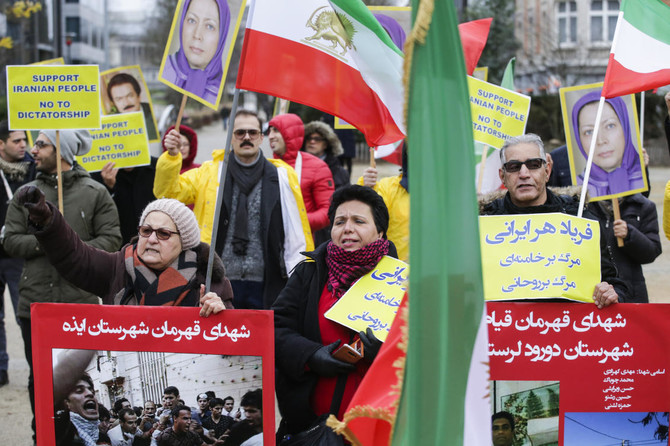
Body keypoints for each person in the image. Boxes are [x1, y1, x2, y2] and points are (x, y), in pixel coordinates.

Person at [3, 129, 122, 441]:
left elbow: (111, 240)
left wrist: (70, 249)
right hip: (36, 303)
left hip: (78, 302)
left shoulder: (95, 193)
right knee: (39, 378)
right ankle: (39, 433)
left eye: (41, 144)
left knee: (76, 377)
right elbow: (11, 241)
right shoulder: (27, 194)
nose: (34, 150)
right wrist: (53, 240)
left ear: (62, 150)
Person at [154, 109, 313, 309]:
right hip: (217, 280)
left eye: (252, 132)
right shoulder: (209, 172)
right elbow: (168, 194)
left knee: (262, 339)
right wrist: (171, 157)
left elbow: (297, 229)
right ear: (230, 136)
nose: (246, 137)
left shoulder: (282, 175)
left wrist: (301, 274)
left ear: (261, 137)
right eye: (240, 133)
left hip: (268, 281)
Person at [273, 185, 394, 439]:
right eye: (340, 222)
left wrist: (383, 354)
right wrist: (311, 355)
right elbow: (276, 328)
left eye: (359, 221)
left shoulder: (402, 283)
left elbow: (422, 352)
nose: (347, 228)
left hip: (376, 430)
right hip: (313, 430)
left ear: (380, 232)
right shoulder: (309, 273)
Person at [13, 191, 233, 312]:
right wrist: (47, 220)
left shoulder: (210, 279)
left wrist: (220, 314)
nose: (152, 239)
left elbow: (235, 341)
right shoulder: (117, 267)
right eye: (146, 230)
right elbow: (74, 255)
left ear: (184, 242)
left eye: (163, 234)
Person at [479, 133, 629, 307]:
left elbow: (615, 283)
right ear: (502, 175)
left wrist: (610, 292)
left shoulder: (579, 220)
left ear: (547, 170)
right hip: (506, 330)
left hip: (566, 329)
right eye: (514, 166)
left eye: (533, 165)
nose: (524, 174)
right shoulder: (483, 225)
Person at [0, 121, 35, 387]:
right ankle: (1, 369)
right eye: (16, 141)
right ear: (1, 144)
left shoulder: (33, 171)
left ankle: (36, 367)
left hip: (17, 256)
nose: (23, 144)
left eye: (24, 140)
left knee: (25, 316)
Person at [268, 113, 335, 237]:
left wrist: (296, 222)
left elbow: (329, 211)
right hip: (271, 245)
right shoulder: (266, 165)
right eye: (269, 131)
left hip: (302, 245)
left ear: (290, 134)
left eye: (276, 130)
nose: (271, 136)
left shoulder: (317, 167)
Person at [572, 90, 644, 197]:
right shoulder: (575, 189)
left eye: (610, 126)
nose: (601, 140)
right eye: (589, 132)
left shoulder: (642, 175)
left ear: (625, 127)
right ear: (579, 138)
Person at [590, 195, 661, 302]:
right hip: (595, 294)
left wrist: (630, 234)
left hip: (631, 293)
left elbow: (651, 252)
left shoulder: (642, 205)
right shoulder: (583, 206)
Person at [162, 0, 231, 104]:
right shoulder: (165, 69)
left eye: (209, 26)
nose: (197, 35)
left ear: (221, 36)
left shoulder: (221, 94)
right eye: (192, 20)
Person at [360, 145, 409, 262]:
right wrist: (366, 188)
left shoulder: (450, 190)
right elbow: (364, 220)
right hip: (395, 271)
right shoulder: (387, 187)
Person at [106, 72, 158, 141]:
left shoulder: (155, 114)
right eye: (119, 99)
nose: (126, 103)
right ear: (114, 103)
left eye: (130, 96)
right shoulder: (110, 124)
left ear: (138, 96)